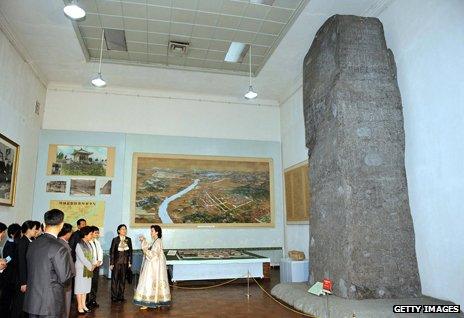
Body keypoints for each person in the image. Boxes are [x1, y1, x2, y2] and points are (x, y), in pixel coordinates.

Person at [23, 209, 75, 318]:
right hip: (50, 303)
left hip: (32, 301)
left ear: (44, 223)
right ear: (61, 225)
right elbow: (65, 279)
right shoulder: (59, 247)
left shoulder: (33, 243)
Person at [134, 225, 171, 310]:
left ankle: (147, 301)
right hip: (153, 265)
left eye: (152, 231)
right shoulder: (155, 241)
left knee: (149, 280)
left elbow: (153, 254)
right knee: (153, 281)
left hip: (154, 266)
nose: (151, 232)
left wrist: (146, 250)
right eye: (151, 231)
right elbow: (149, 248)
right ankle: (156, 300)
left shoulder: (158, 241)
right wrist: (144, 241)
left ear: (157, 232)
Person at [11, 220, 35, 318]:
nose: (36, 231)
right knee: (19, 305)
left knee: (24, 305)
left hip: (27, 278)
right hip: (22, 279)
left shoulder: (30, 241)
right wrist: (23, 282)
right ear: (28, 229)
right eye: (34, 229)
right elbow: (22, 263)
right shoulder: (23, 242)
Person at [74, 226, 96, 314]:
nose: (92, 235)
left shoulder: (89, 244)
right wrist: (91, 266)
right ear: (85, 235)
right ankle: (79, 306)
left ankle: (84, 305)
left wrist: (94, 263)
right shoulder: (79, 245)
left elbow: (92, 256)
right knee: (80, 288)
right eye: (90, 234)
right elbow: (82, 258)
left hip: (89, 268)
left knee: (86, 288)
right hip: (81, 269)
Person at [1, 223, 21, 314]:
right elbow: (7, 257)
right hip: (8, 275)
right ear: (13, 234)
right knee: (6, 298)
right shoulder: (10, 244)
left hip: (11, 275)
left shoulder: (13, 243)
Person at [109, 224, 132, 302]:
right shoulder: (115, 239)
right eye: (122, 229)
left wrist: (130, 262)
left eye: (125, 229)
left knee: (122, 280)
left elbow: (130, 252)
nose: (124, 230)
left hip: (125, 262)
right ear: (118, 231)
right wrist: (111, 263)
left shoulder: (128, 239)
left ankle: (121, 296)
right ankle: (114, 296)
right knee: (115, 279)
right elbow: (112, 252)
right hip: (116, 262)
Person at [58, 223, 75, 318]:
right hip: (65, 277)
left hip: (63, 277)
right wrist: (72, 273)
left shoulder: (58, 242)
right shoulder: (63, 244)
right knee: (65, 302)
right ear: (67, 233)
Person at [87, 226, 103, 309]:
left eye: (98, 233)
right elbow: (89, 255)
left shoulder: (97, 242)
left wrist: (99, 260)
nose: (97, 234)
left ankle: (93, 300)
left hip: (96, 266)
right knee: (88, 284)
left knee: (95, 284)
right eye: (96, 233)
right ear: (91, 233)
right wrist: (93, 263)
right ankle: (87, 301)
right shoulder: (88, 242)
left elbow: (100, 252)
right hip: (90, 266)